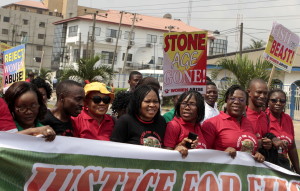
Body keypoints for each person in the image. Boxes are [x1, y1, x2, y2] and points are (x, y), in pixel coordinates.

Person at [201, 85, 265, 162]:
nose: (236, 102)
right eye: (232, 98)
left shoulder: (249, 124)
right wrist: (222, 154)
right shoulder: (211, 123)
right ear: (226, 100)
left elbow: (250, 149)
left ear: (246, 104)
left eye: (241, 100)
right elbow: (203, 153)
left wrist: (257, 154)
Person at [246, 79, 284, 163]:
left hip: (262, 165)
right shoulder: (241, 115)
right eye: (259, 92)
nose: (263, 96)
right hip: (245, 164)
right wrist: (256, 143)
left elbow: (265, 137)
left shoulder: (265, 116)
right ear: (249, 92)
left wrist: (269, 144)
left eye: (265, 93)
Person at [164, 90, 207, 158]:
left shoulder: (199, 126)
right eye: (184, 103)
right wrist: (178, 148)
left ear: (200, 108)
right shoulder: (174, 126)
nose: (187, 108)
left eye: (192, 104)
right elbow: (165, 156)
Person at [266, 89, 300, 173]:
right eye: (274, 100)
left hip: (284, 164)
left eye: (282, 101)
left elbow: (292, 147)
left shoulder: (287, 119)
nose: (278, 103)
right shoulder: (263, 117)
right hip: (267, 164)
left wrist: (298, 170)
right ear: (268, 102)